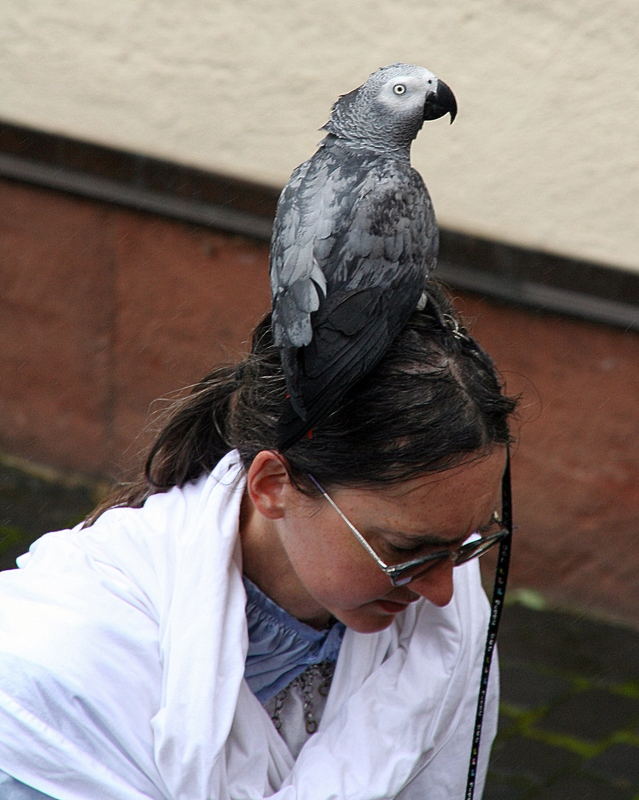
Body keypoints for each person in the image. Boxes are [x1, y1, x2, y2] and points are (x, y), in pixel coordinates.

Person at [0, 280, 517, 799]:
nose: (444, 592)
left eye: (468, 545)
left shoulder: (450, 620)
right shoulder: (54, 670)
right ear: (273, 486)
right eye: (405, 550)